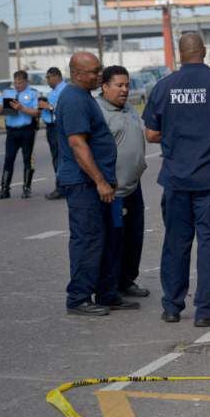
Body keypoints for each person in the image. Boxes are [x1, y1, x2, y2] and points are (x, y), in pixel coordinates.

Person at [143, 33, 210, 326]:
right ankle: (206, 311)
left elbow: (151, 134)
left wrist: (179, 136)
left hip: (177, 180)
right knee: (209, 243)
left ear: (180, 54)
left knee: (176, 243)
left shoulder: (163, 86)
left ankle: (172, 307)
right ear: (204, 51)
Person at [57, 52, 139, 316]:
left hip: (101, 186)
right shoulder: (73, 100)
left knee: (109, 240)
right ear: (77, 73)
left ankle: (107, 293)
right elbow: (77, 144)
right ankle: (78, 298)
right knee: (88, 241)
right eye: (94, 71)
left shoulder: (85, 97)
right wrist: (101, 181)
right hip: (85, 185)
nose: (99, 75)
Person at [98, 66, 150, 299]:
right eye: (119, 85)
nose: (124, 90)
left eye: (127, 85)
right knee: (114, 241)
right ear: (105, 86)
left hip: (133, 186)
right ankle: (111, 287)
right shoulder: (98, 112)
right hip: (113, 190)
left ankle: (127, 280)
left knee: (134, 237)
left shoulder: (129, 108)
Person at [0, 69, 41, 198]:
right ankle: (5, 189)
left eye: (20, 83)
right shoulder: (7, 93)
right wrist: (3, 108)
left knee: (27, 159)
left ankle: (26, 188)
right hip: (12, 131)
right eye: (15, 82)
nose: (17, 85)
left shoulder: (33, 93)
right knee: (8, 159)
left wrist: (21, 108)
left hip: (27, 131)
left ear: (26, 82)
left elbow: (37, 113)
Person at [40, 67, 68, 200]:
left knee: (59, 158)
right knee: (57, 157)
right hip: (51, 127)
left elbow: (64, 108)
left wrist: (49, 107)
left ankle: (61, 188)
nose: (47, 80)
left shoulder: (64, 90)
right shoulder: (53, 92)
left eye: (48, 77)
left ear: (56, 76)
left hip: (58, 127)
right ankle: (63, 186)